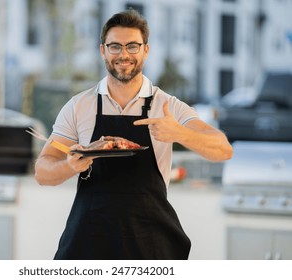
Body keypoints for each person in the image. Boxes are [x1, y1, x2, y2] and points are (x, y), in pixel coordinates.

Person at [34, 9, 233, 260]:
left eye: (132, 46)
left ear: (145, 50)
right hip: (89, 241)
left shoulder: (167, 105)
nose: (123, 54)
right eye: (115, 46)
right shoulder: (78, 106)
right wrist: (70, 165)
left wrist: (180, 133)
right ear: (103, 50)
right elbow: (42, 172)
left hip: (150, 243)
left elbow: (223, 149)